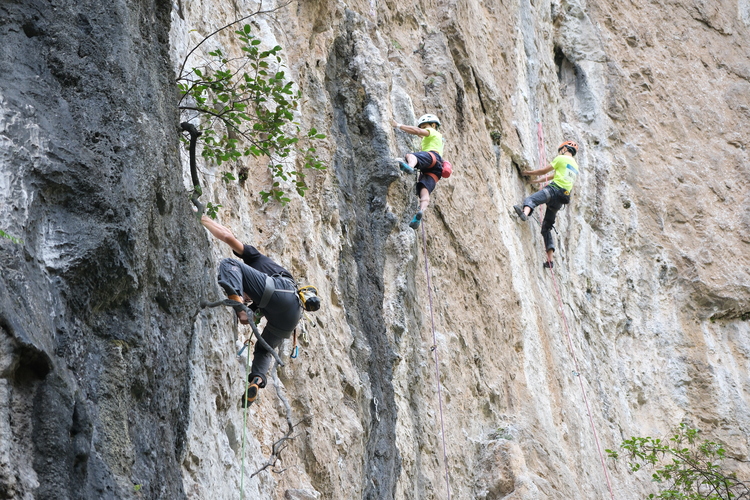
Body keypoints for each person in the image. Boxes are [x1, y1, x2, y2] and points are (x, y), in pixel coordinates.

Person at [200, 215, 302, 406]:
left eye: (246, 298)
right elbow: (249, 319)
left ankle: (236, 304)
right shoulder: (258, 298)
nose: (249, 298)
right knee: (264, 349)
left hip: (281, 290)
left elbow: (227, 237)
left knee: (229, 264)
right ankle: (257, 379)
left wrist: (200, 218)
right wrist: (248, 312)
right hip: (291, 317)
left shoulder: (255, 258)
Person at [513, 140, 580, 269]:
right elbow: (552, 176)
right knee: (546, 227)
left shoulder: (561, 158)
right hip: (561, 199)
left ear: (565, 149)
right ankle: (550, 260)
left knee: (531, 200)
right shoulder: (574, 166)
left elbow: (544, 171)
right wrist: (535, 181)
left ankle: (524, 214)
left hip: (553, 191)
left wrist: (528, 173)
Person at [392, 114, 445, 229]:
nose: (423, 129)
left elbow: (416, 131)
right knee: (424, 191)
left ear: (433, 125)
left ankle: (410, 166)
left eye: (425, 126)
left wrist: (398, 125)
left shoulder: (432, 131)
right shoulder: (439, 140)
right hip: (437, 169)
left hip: (432, 157)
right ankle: (420, 212)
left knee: (410, 155)